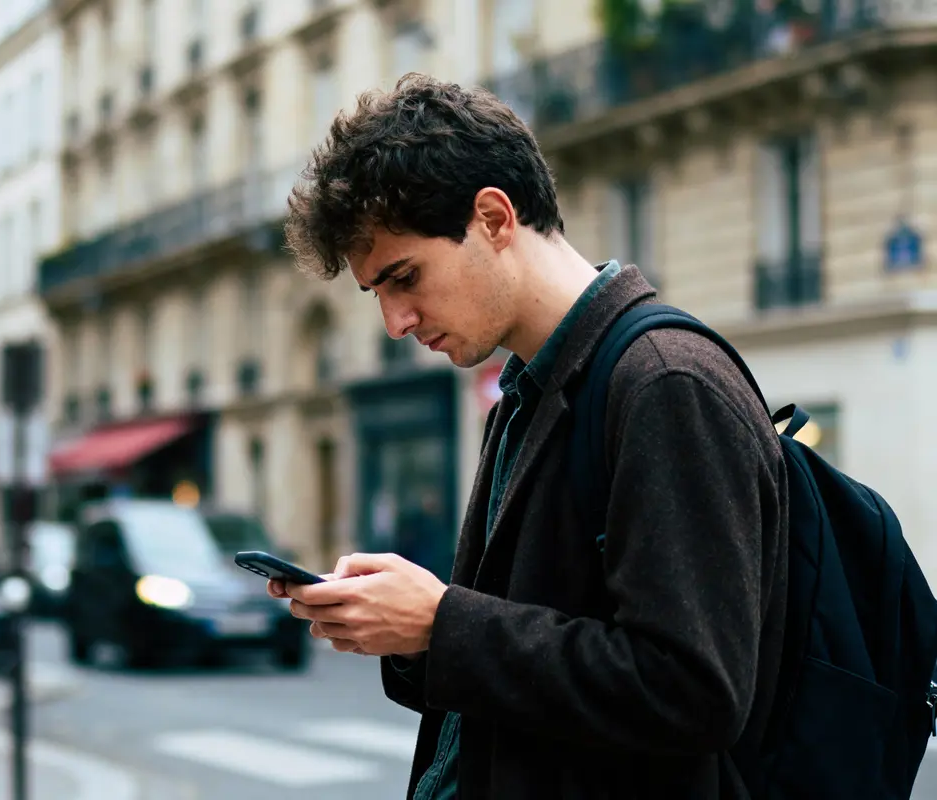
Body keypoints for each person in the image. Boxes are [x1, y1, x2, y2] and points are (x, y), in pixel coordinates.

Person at [269, 74, 789, 799]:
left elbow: (692, 691)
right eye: (378, 293)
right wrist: (404, 631)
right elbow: (521, 666)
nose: (395, 322)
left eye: (405, 277)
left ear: (493, 217)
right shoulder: (524, 395)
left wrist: (441, 622)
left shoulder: (667, 383)